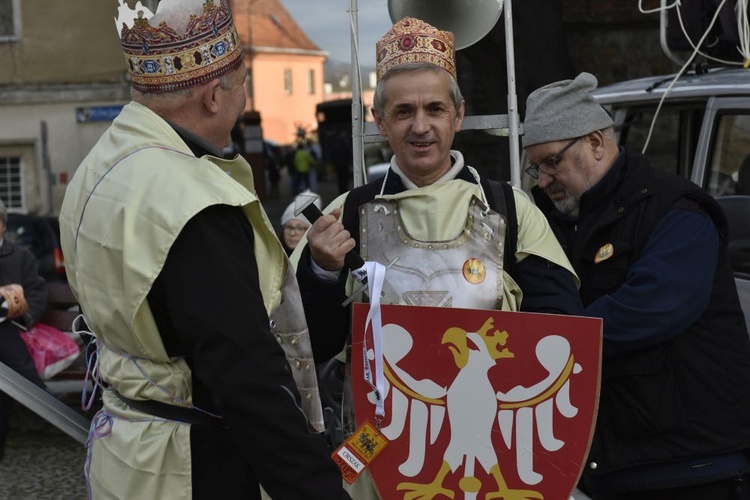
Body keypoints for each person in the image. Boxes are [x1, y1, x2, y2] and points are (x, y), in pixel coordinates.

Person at [58, 1, 350, 498]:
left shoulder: (100, 164)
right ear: (216, 95)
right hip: (191, 466)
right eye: (243, 84)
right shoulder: (194, 203)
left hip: (127, 451)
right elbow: (249, 380)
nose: (243, 100)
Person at [292, 17, 583, 498]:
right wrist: (321, 272)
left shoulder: (510, 210)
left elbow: (561, 329)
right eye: (403, 111)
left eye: (434, 108)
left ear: (458, 115)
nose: (420, 126)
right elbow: (307, 350)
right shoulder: (347, 215)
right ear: (379, 120)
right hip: (377, 442)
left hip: (492, 441)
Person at [524, 72, 750, 499]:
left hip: (692, 466)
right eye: (535, 167)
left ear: (595, 142)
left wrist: (543, 344)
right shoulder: (551, 223)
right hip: (608, 466)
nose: (542, 179)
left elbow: (655, 306)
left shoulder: (676, 209)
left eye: (552, 161)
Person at [0, 198, 48, 462]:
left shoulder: (20, 256)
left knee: (11, 355)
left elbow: (38, 293)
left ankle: (44, 408)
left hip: (10, 329)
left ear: (3, 225)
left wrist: (24, 314)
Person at [279, 190, 322, 255]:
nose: (292, 233)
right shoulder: (273, 256)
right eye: (289, 227)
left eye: (300, 228)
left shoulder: (319, 261)